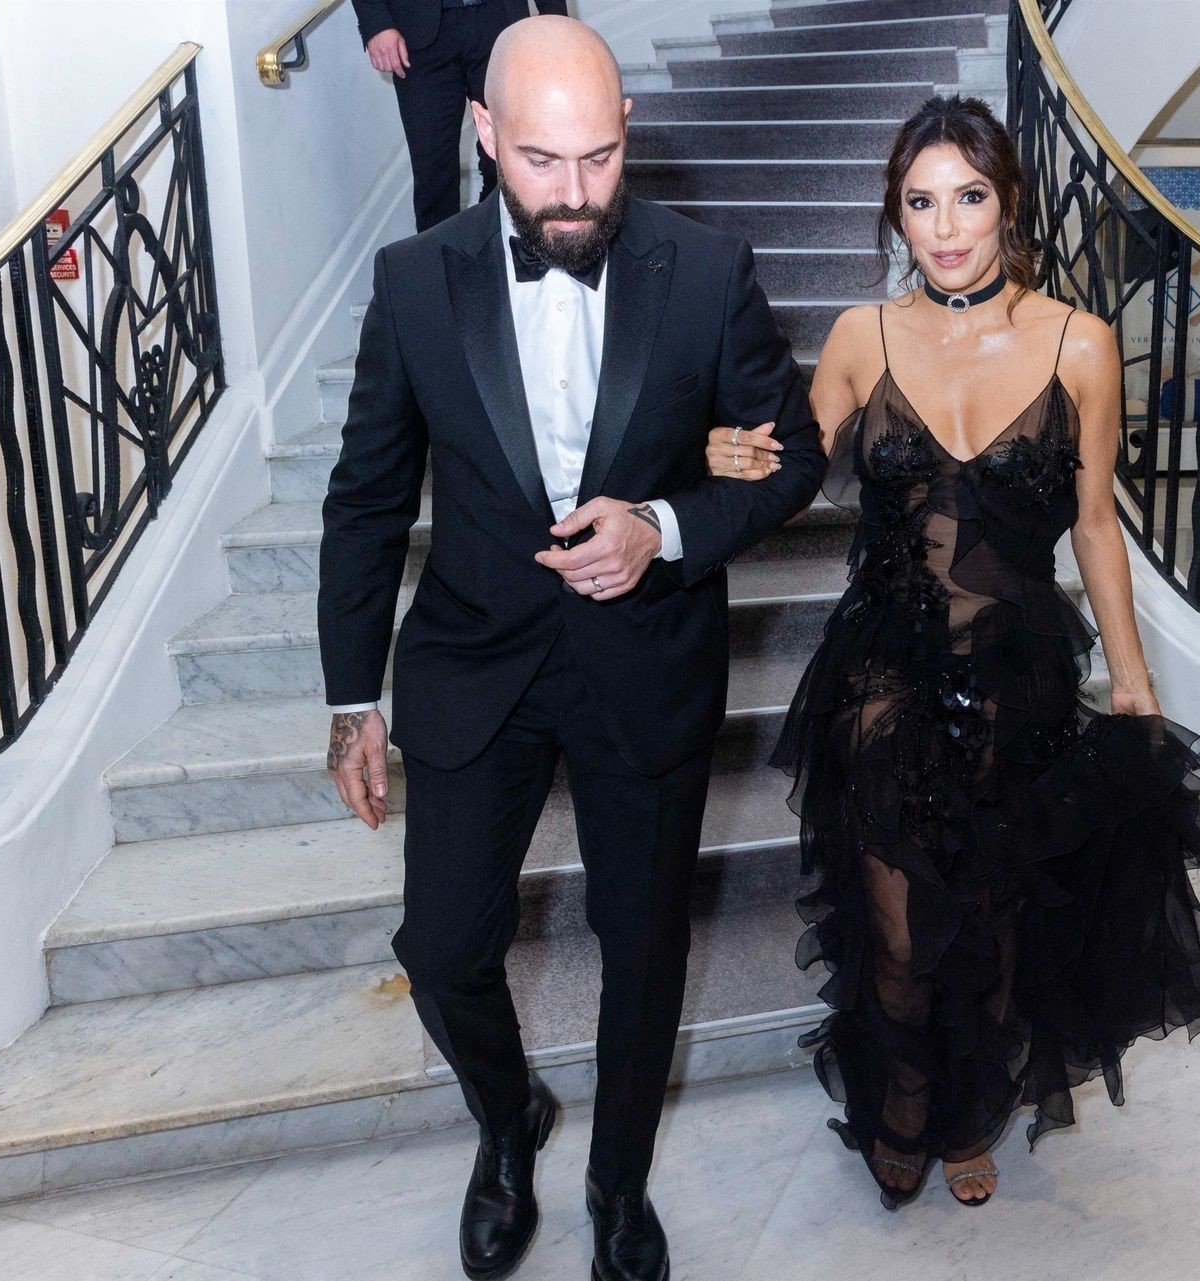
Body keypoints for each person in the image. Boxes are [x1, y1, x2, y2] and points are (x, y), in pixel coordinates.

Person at [317, 16, 824, 1280]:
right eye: (543, 161)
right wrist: (349, 697)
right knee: (442, 949)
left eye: (601, 158)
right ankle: (508, 1122)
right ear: (484, 133)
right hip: (473, 661)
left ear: (627, 132)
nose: (577, 193)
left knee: (644, 952)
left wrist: (664, 527)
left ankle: (617, 1187)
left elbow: (793, 458)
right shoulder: (414, 280)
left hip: (645, 662)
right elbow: (367, 499)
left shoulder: (704, 270)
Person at [708, 95, 1200, 1210]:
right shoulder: (861, 337)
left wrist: (1133, 681)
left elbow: (1096, 523)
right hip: (880, 676)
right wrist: (733, 456)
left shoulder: (1080, 344)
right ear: (895, 213)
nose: (945, 227)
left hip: (1017, 683)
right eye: (920, 201)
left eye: (969, 197)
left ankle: (971, 1111)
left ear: (1008, 202)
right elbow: (791, 465)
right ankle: (906, 1100)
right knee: (898, 932)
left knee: (993, 922)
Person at [355, 0, 569, 232]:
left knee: (507, 158)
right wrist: (375, 23)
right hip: (418, 35)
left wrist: (556, 20)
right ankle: (440, 254)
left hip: (499, 20)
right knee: (432, 172)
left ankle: (497, 240)